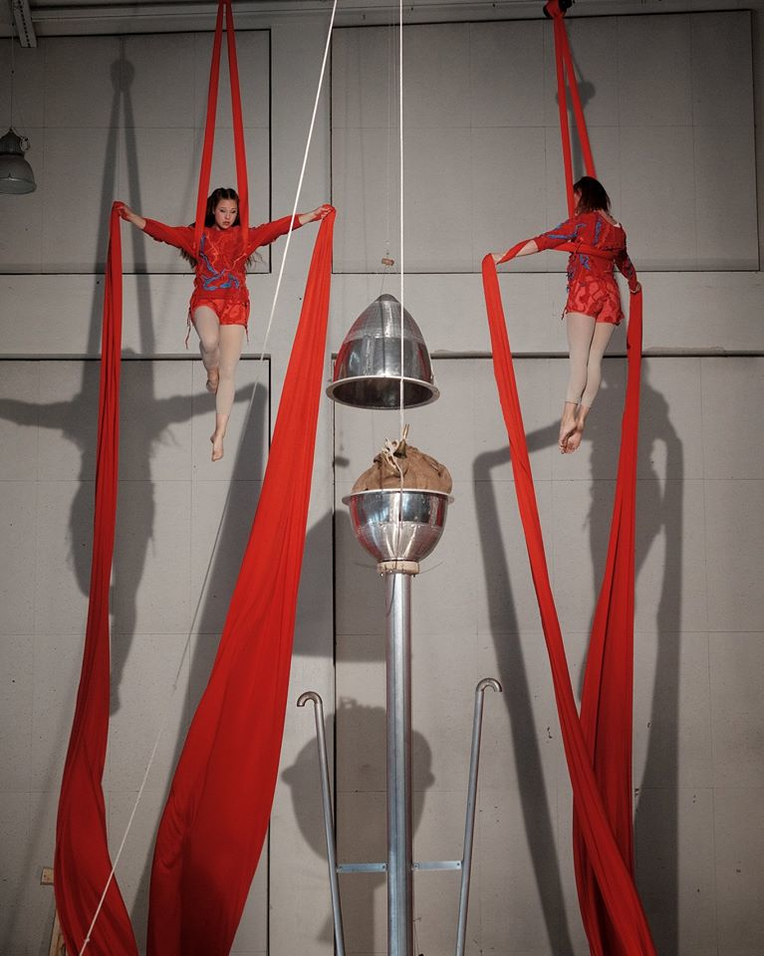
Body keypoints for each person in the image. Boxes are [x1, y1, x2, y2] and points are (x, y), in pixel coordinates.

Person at [118, 189, 331, 461]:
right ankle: (211, 373)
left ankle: (219, 433)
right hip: (206, 300)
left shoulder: (244, 238)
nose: (228, 217)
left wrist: (312, 215)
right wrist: (132, 216)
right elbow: (164, 233)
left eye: (232, 212)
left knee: (229, 370)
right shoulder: (198, 237)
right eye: (222, 211)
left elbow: (277, 228)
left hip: (235, 305)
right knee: (209, 342)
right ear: (212, 210)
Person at [492, 176, 640, 453]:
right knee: (594, 361)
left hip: (586, 291)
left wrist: (505, 255)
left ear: (582, 194)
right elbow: (625, 264)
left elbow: (544, 241)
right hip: (610, 296)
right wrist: (634, 285)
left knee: (579, 359)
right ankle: (581, 419)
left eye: (575, 197)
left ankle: (567, 417)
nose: (573, 203)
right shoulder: (618, 229)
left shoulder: (583, 222)